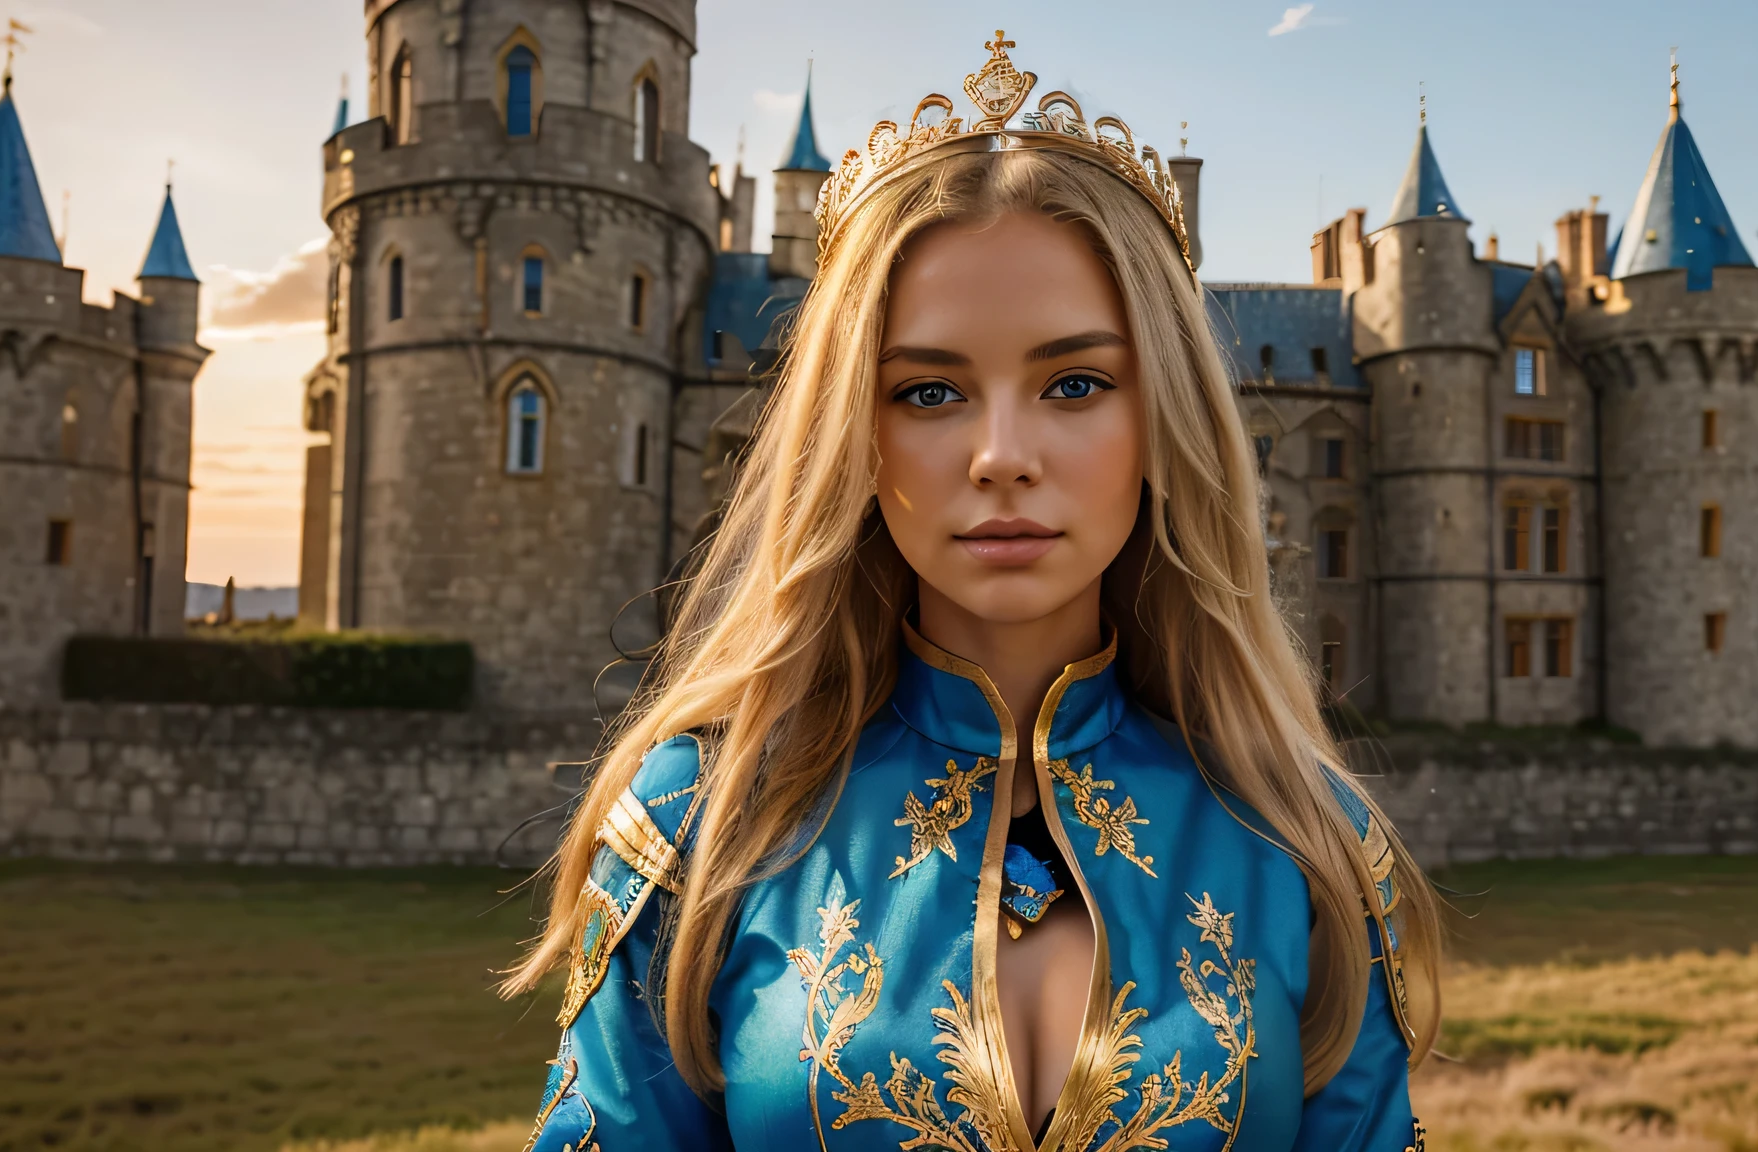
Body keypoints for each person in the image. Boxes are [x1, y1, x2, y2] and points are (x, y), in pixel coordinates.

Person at [507, 30, 1441, 1151]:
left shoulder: (1303, 845)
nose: (1001, 453)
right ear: (853, 432)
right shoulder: (695, 824)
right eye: (931, 392)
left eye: (1074, 383)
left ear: (1163, 422)